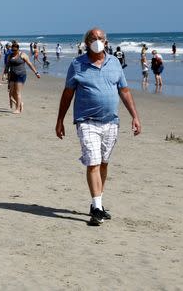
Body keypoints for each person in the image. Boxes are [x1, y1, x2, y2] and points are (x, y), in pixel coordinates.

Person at [55, 27, 142, 226]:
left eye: (100, 38)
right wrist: (60, 120)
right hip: (86, 121)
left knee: (103, 162)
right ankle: (96, 208)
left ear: (107, 40)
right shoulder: (77, 64)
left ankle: (99, 203)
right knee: (93, 161)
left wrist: (135, 117)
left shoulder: (115, 63)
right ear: (86, 42)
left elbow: (125, 91)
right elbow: (68, 94)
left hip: (111, 121)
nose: (97, 40)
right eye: (93, 38)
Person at [4, 41, 39, 113]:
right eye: (12, 50)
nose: (13, 51)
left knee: (17, 92)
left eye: (15, 50)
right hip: (12, 75)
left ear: (18, 49)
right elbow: (7, 66)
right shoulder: (10, 56)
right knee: (11, 93)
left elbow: (30, 64)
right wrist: (4, 73)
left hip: (21, 75)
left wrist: (36, 72)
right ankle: (20, 103)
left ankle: (17, 109)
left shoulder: (23, 55)